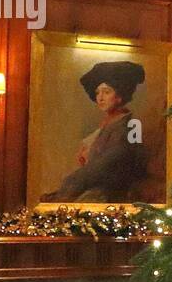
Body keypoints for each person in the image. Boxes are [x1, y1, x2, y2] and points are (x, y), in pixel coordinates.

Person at [43, 60, 149, 201]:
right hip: (93, 184)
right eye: (98, 92)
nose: (100, 97)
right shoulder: (107, 123)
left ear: (119, 96)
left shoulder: (131, 124)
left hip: (110, 192)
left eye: (106, 92)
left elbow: (116, 161)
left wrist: (72, 182)